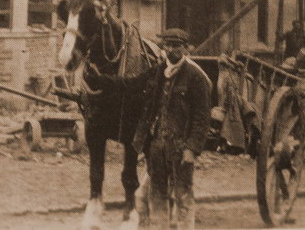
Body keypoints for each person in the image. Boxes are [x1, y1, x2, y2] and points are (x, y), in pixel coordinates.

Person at [86, 28, 211, 229]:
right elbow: (130, 84)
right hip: (157, 148)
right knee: (153, 196)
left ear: (186, 49)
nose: (171, 50)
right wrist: (99, 80)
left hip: (180, 149)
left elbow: (201, 118)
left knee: (183, 198)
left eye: (177, 46)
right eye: (168, 45)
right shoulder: (158, 71)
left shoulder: (195, 77)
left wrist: (191, 150)